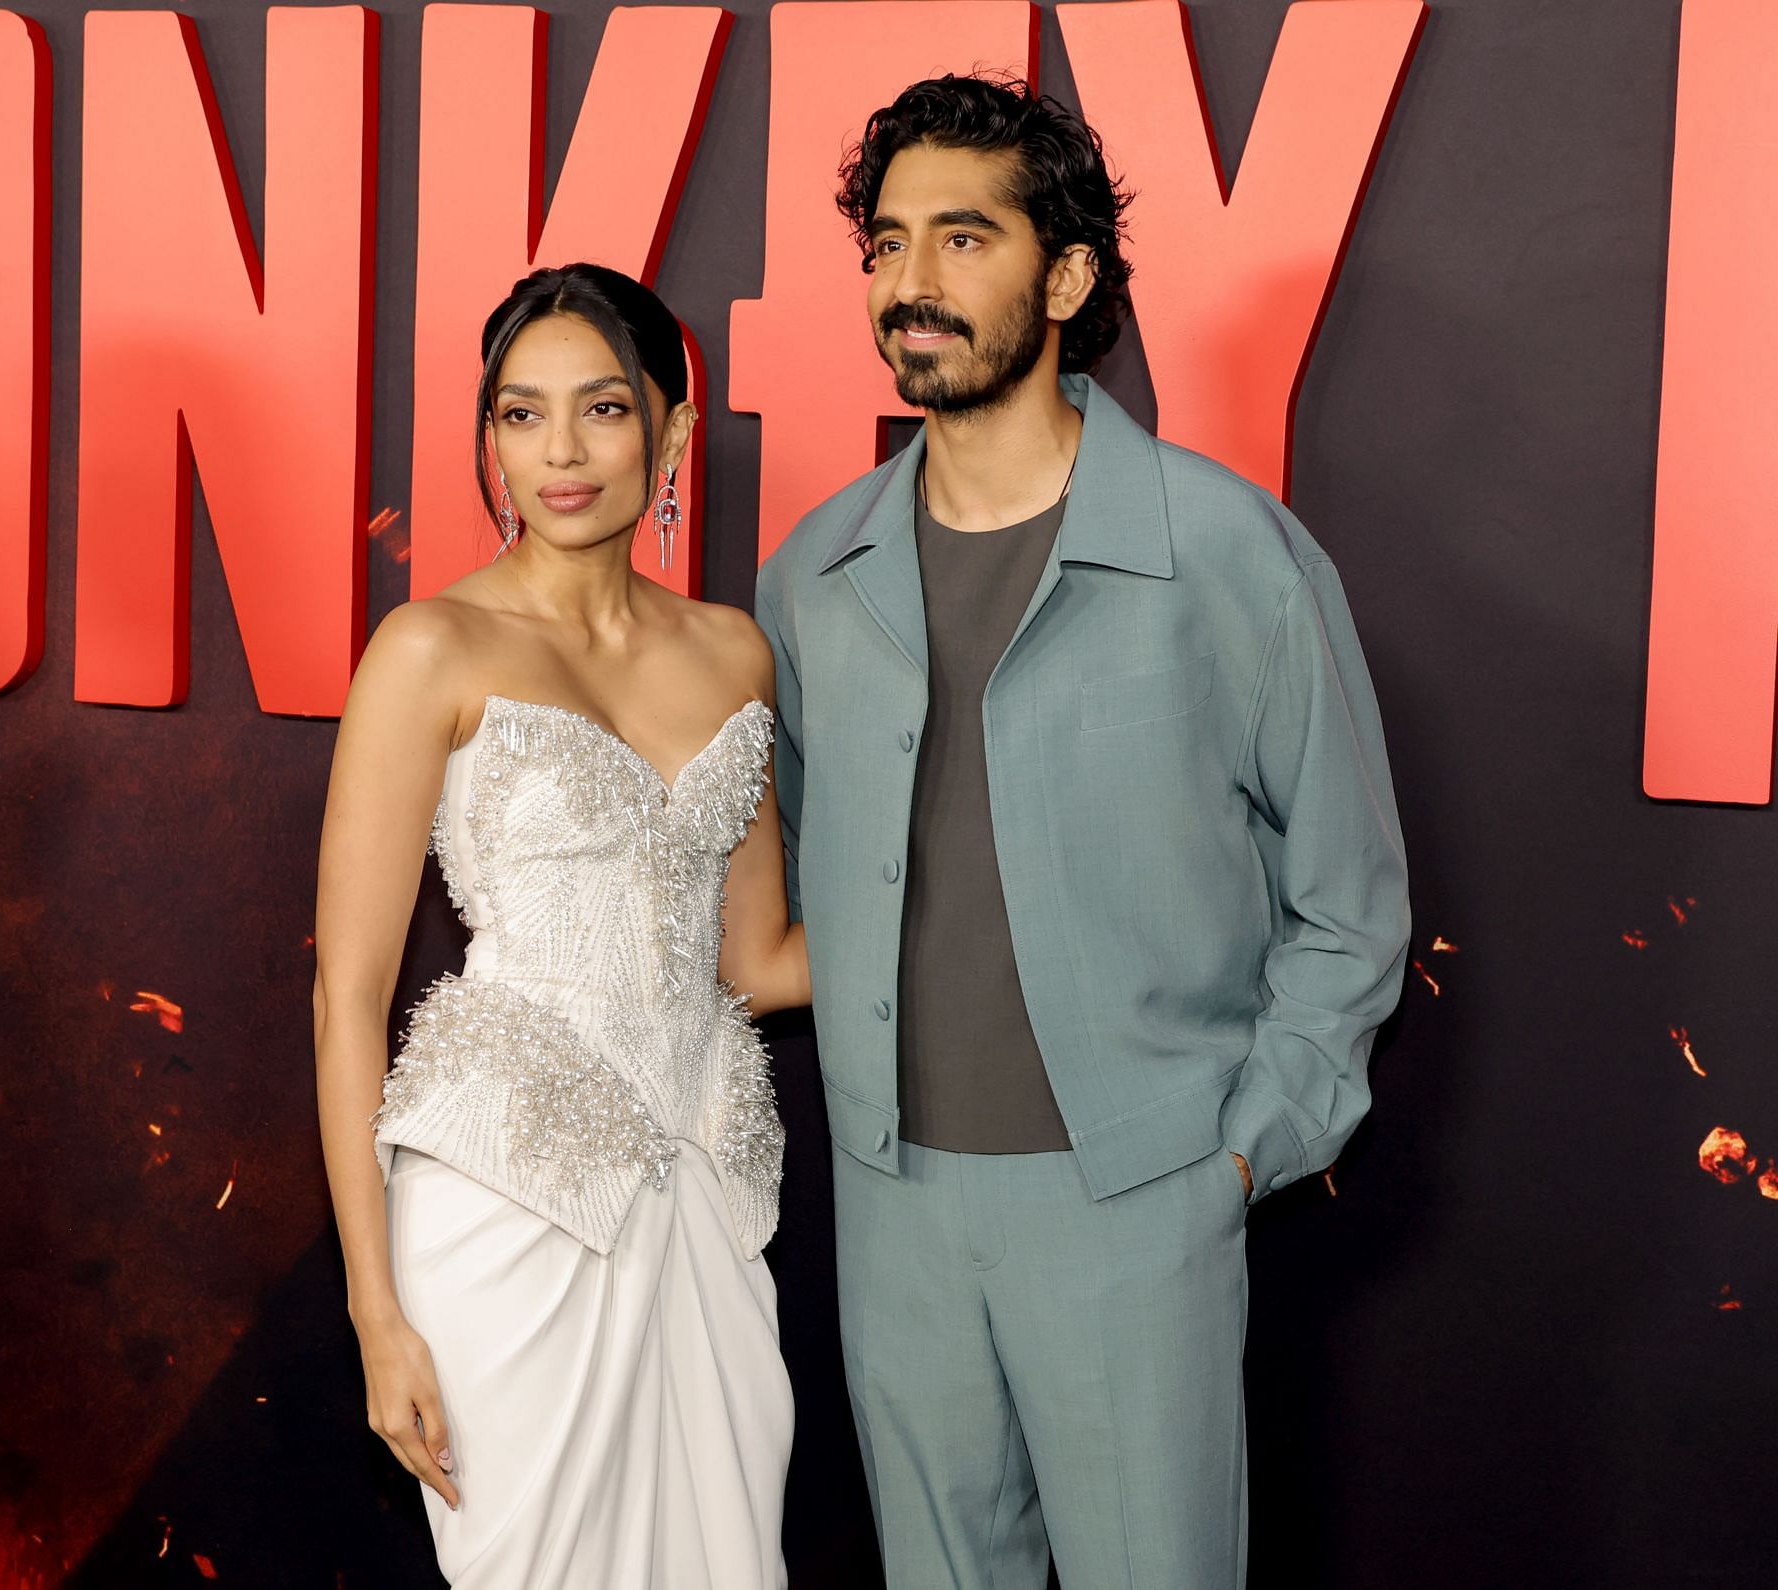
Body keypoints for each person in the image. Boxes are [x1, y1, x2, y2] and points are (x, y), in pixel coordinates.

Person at [753, 75, 1410, 1588]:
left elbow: (1353, 905)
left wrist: (1236, 1160)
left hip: (1139, 1204)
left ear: (1064, 276)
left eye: (963, 239)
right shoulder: (816, 573)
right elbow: (788, 856)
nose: (912, 283)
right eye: (889, 242)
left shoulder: (1225, 551)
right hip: (894, 1204)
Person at [312, 262, 806, 1589]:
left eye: (600, 409)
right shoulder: (429, 646)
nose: (561, 453)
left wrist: (986, 913)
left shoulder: (734, 653)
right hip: (501, 1203)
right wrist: (376, 1315)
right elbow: (348, 994)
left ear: (672, 429)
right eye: (521, 415)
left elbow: (758, 958)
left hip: (698, 1194)